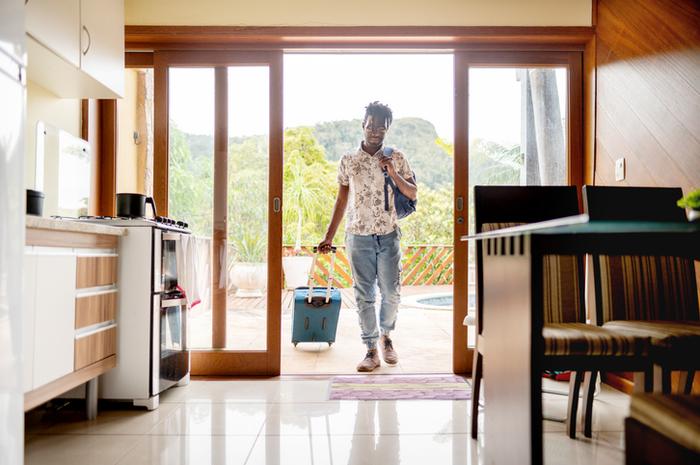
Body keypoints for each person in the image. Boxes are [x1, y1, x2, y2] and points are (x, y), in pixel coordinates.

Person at [318, 101, 417, 372]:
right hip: (358, 236)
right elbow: (341, 199)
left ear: (387, 129)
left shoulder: (396, 156)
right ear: (363, 125)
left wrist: (392, 172)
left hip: (388, 235)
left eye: (380, 127)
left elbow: (412, 193)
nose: (375, 131)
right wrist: (329, 235)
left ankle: (386, 336)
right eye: (370, 125)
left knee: (391, 293)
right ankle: (371, 349)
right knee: (364, 295)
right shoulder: (348, 160)